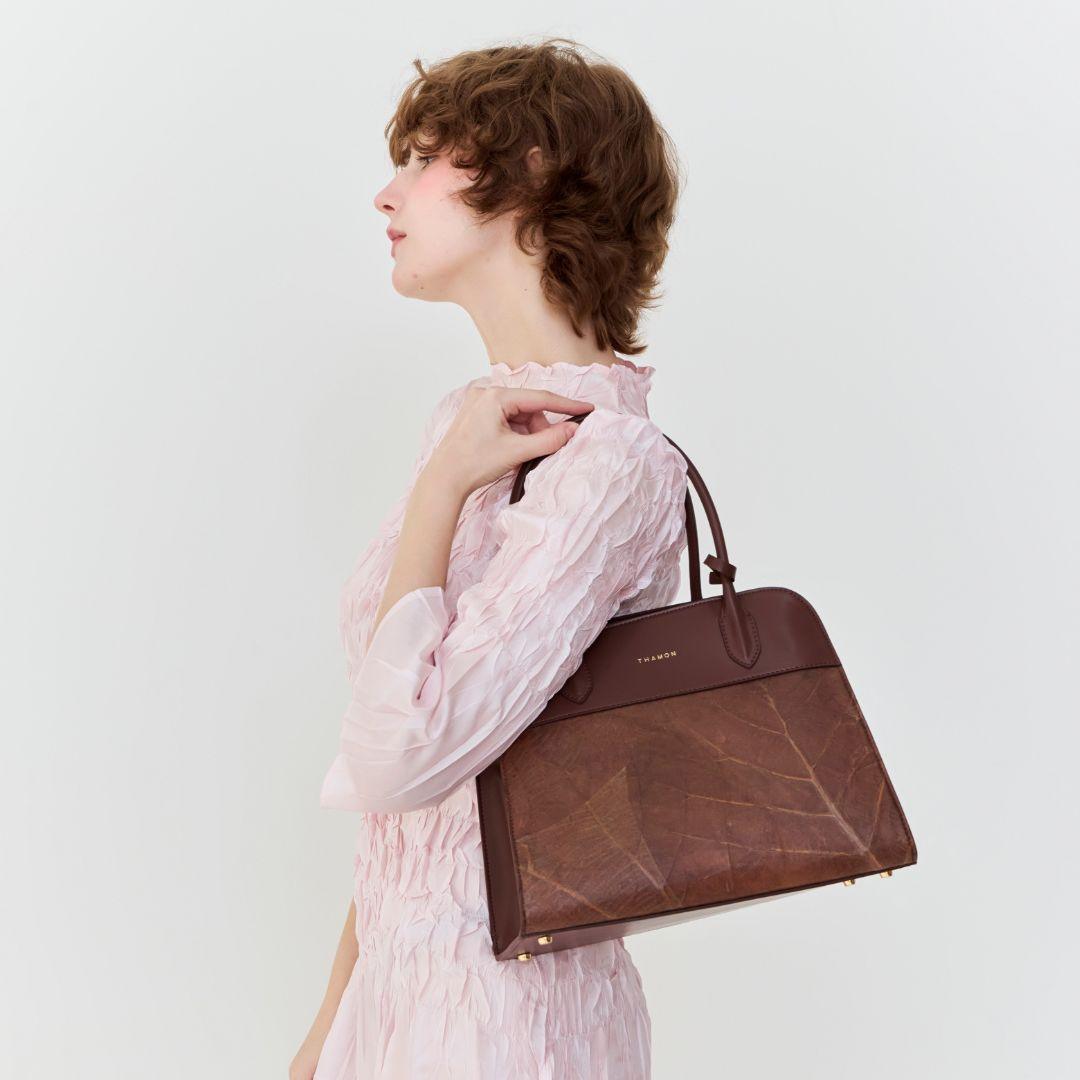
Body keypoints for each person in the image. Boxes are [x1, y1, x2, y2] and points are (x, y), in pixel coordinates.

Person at [292, 37, 688, 1080]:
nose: (388, 192)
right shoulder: (469, 431)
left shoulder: (613, 464)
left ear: (534, 174)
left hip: (511, 1018)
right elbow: (415, 811)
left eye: (426, 157)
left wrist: (441, 489)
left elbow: (401, 754)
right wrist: (332, 1024)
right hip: (401, 1000)